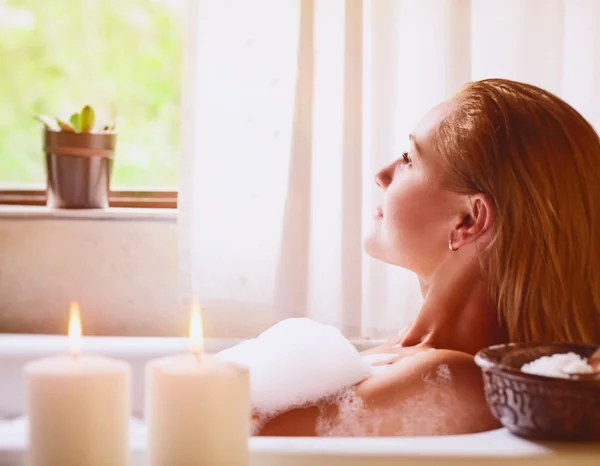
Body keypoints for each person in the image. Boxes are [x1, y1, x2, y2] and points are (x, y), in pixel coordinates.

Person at [255, 78, 600, 436]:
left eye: (408, 159)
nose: (381, 175)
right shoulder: (409, 354)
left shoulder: (454, 381)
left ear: (468, 220)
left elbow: (232, 444)